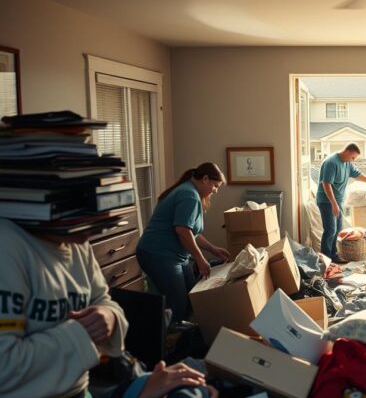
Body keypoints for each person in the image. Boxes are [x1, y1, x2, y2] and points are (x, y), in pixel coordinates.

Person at [0, 217, 129, 397]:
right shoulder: (7, 245)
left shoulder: (77, 243)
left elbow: (102, 298)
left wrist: (109, 316)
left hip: (80, 388)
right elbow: (4, 366)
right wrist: (83, 334)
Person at [136, 162, 232, 324]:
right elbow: (182, 231)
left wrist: (212, 249)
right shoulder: (189, 195)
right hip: (158, 254)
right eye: (215, 186)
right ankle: (172, 343)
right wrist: (200, 259)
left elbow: (192, 232)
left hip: (176, 256)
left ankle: (182, 334)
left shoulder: (191, 192)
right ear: (205, 179)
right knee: (178, 305)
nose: (215, 191)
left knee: (192, 297)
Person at [316, 143, 366, 263]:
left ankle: (333, 255)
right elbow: (326, 184)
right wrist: (333, 204)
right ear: (347, 152)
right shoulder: (331, 162)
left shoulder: (347, 163)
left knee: (337, 229)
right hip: (326, 201)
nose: (353, 160)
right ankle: (325, 259)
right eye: (353, 157)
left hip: (337, 200)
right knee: (330, 229)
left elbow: (357, 175)